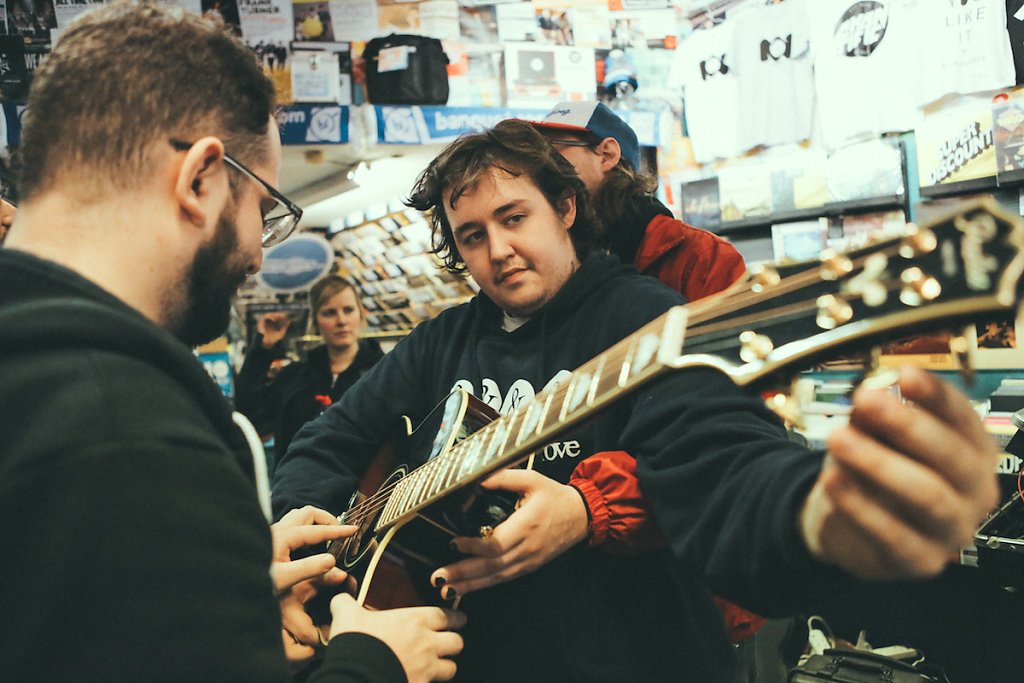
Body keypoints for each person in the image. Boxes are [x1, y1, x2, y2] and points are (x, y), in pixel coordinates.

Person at [271, 119, 1001, 681]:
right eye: (471, 236)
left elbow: (726, 468)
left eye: (514, 217)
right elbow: (328, 438)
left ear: (564, 208)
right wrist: (303, 539)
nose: (496, 249)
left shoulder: (647, 320)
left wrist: (825, 511)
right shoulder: (442, 339)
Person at [0, 2, 464, 681]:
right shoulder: (130, 432)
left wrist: (223, 576)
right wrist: (373, 662)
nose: (257, 254)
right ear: (201, 179)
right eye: (264, 211)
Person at [530, 100, 747, 303]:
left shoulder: (702, 257)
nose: (541, 166)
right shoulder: (542, 257)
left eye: (552, 151)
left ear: (607, 154)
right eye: (536, 155)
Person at [235, 274, 384, 461]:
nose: (341, 321)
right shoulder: (294, 378)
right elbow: (251, 414)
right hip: (297, 484)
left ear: (360, 314)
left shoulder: (382, 375)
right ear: (315, 321)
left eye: (348, 310)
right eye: (329, 312)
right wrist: (263, 350)